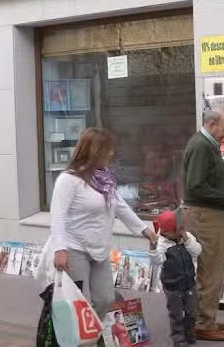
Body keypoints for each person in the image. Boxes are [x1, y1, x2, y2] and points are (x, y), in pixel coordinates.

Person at [50, 128, 157, 318]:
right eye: (108, 149)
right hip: (75, 249)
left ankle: (93, 329)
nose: (112, 153)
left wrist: (144, 230)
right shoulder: (69, 180)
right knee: (80, 303)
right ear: (95, 151)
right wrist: (60, 250)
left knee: (105, 299)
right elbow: (58, 216)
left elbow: (120, 206)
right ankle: (84, 335)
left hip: (100, 249)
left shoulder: (104, 179)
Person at [182, 109, 224, 341]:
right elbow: (195, 186)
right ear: (213, 124)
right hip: (206, 215)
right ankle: (204, 323)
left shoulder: (205, 144)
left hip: (207, 212)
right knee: (211, 269)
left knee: (210, 268)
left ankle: (205, 318)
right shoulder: (202, 146)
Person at [149, 210, 202, 347]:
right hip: (172, 286)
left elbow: (197, 251)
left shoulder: (187, 237)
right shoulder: (162, 243)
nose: (168, 235)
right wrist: (153, 249)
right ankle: (178, 338)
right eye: (166, 233)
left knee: (192, 311)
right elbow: (157, 261)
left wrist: (187, 239)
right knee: (176, 314)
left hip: (189, 283)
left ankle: (189, 332)